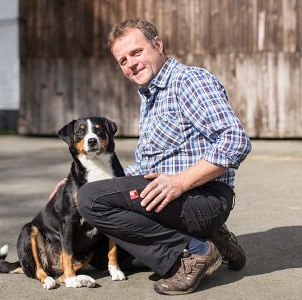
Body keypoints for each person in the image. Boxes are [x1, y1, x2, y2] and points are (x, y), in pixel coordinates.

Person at [60, 18, 251, 295]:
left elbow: (236, 141)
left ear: (157, 45)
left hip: (200, 197)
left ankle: (195, 250)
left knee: (91, 201)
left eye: (136, 52)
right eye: (123, 60)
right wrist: (74, 185)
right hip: (172, 197)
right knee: (109, 249)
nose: (131, 64)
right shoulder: (151, 96)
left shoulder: (189, 81)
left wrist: (180, 182)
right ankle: (211, 239)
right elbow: (145, 165)